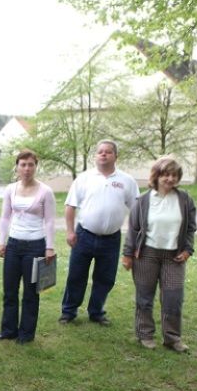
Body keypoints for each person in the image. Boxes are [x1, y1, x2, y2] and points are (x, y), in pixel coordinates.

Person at [59, 139, 140, 326]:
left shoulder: (126, 181)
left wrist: (135, 239)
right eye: (100, 152)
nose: (103, 154)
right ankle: (68, 311)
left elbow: (136, 211)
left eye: (108, 152)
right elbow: (70, 206)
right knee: (76, 275)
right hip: (84, 235)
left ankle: (96, 312)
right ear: (95, 156)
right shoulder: (84, 178)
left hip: (111, 239)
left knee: (105, 278)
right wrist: (70, 232)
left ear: (115, 156)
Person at [122, 156, 196, 353]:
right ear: (157, 176)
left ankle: (172, 338)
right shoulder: (143, 201)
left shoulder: (185, 200)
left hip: (174, 257)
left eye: (174, 175)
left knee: (173, 298)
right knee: (144, 298)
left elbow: (190, 228)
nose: (170, 179)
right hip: (146, 255)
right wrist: (127, 255)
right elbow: (133, 229)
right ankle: (144, 334)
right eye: (165, 174)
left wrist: (188, 250)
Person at [0, 150, 56, 344]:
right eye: (23, 164)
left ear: (36, 167)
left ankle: (26, 334)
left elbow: (50, 221)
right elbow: (5, 217)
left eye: (30, 164)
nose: (27, 168)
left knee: (30, 293)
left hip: (35, 246)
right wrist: (1, 241)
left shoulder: (45, 191)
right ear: (17, 167)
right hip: (13, 245)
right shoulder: (10, 189)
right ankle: (8, 330)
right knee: (9, 290)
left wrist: (49, 247)